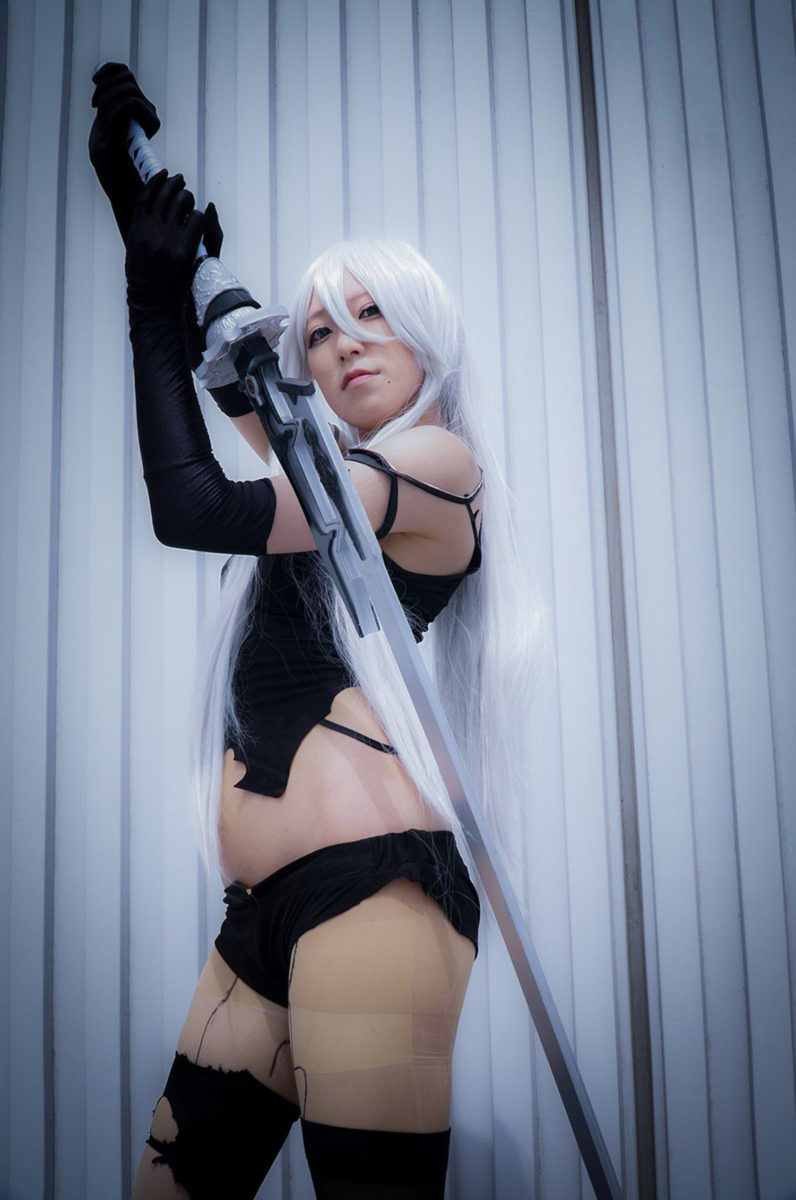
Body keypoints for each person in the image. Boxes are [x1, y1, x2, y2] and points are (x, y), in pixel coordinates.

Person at [90, 63, 543, 1200]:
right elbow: (235, 378)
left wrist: (149, 304)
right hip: (259, 921)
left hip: (373, 900)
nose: (344, 343)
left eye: (372, 314)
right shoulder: (334, 473)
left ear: (427, 333)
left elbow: (193, 505)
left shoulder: (435, 466)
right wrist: (135, 206)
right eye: (323, 328)